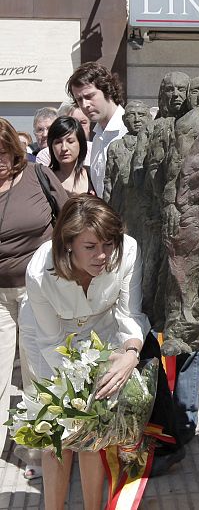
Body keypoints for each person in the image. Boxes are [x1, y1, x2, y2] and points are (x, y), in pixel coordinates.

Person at [19, 195, 160, 508]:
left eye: (108, 244)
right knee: (59, 431)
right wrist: (85, 372)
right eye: (91, 246)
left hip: (101, 331)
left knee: (92, 431)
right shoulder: (39, 272)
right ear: (68, 243)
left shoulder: (128, 250)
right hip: (50, 339)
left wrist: (131, 354)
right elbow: (49, 341)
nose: (103, 256)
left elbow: (129, 314)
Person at [0, 117, 68, 478]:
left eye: (3, 152)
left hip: (35, 287)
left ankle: (41, 453)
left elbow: (70, 213)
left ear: (15, 149)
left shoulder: (36, 175)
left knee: (36, 372)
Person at [67, 62, 127, 199]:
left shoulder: (129, 130)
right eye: (79, 100)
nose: (84, 105)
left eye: (89, 96)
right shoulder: (97, 136)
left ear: (108, 90)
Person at [47, 116, 94, 195]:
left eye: (70, 141)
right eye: (58, 142)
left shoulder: (93, 175)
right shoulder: (44, 179)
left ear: (80, 144)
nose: (64, 148)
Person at [37, 103, 93, 168]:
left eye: (83, 122)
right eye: (71, 123)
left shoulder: (96, 150)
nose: (78, 127)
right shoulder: (46, 155)